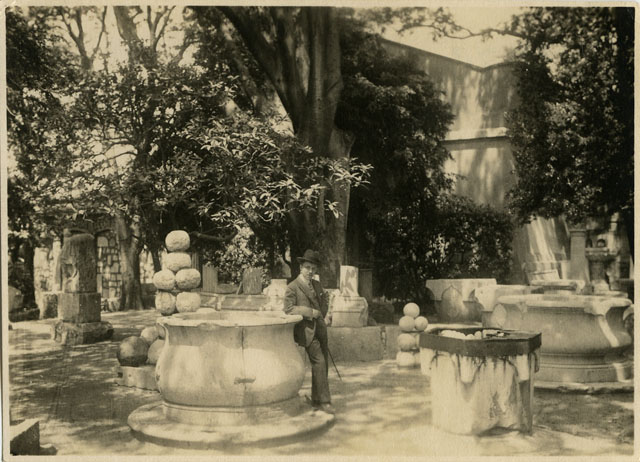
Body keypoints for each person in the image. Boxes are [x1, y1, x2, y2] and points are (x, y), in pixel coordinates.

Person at [283, 249, 334, 414]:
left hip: (321, 329)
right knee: (319, 362)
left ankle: (317, 399)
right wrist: (311, 312)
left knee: (322, 364)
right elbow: (288, 309)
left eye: (313, 268)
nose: (310, 271)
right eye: (307, 267)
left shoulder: (317, 285)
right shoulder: (293, 287)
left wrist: (325, 304)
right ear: (301, 267)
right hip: (306, 331)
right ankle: (325, 402)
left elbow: (323, 307)